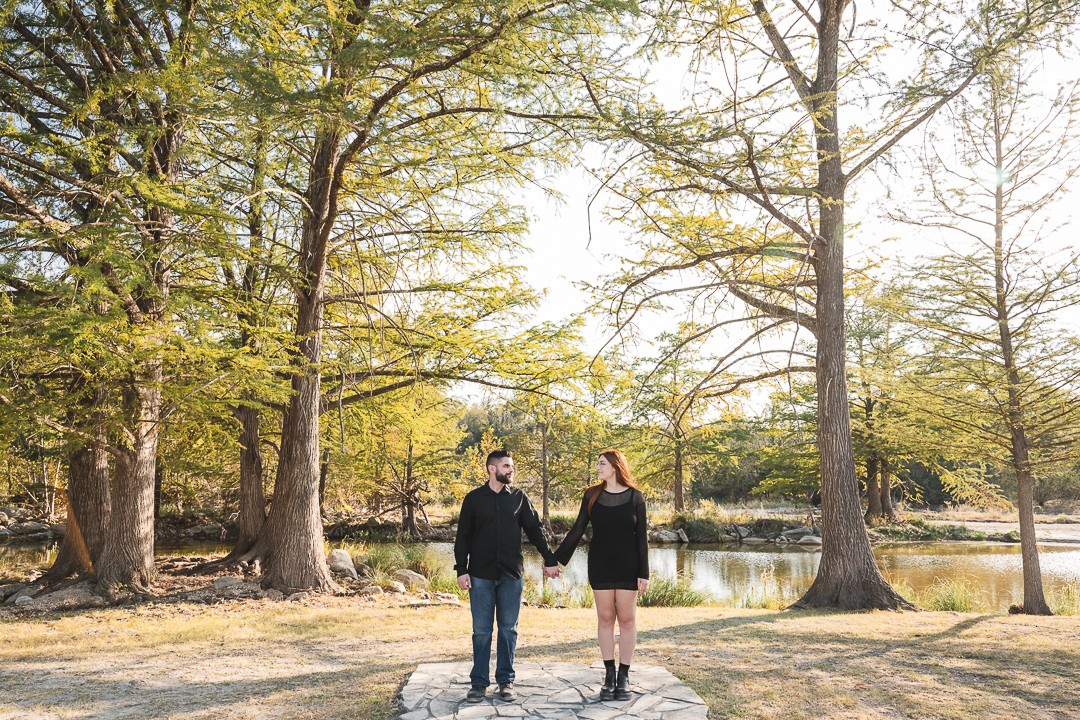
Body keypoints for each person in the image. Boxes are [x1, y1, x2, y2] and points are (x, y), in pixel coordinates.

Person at [455, 449, 560, 704]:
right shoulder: (473, 499)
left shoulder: (519, 498)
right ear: (492, 469)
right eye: (506, 466)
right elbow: (463, 537)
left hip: (511, 575)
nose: (511, 470)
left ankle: (505, 681)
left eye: (511, 466)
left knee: (508, 630)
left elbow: (535, 530)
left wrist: (549, 558)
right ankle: (478, 683)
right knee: (481, 631)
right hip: (480, 575)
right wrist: (461, 569)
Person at [554, 448, 649, 702]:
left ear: (616, 466)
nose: (598, 468)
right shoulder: (591, 495)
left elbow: (642, 539)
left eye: (602, 463)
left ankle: (624, 676)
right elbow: (577, 530)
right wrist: (555, 559)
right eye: (597, 464)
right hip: (600, 564)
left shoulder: (636, 497)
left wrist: (644, 573)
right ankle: (609, 675)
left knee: (627, 620)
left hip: (629, 566)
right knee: (606, 619)